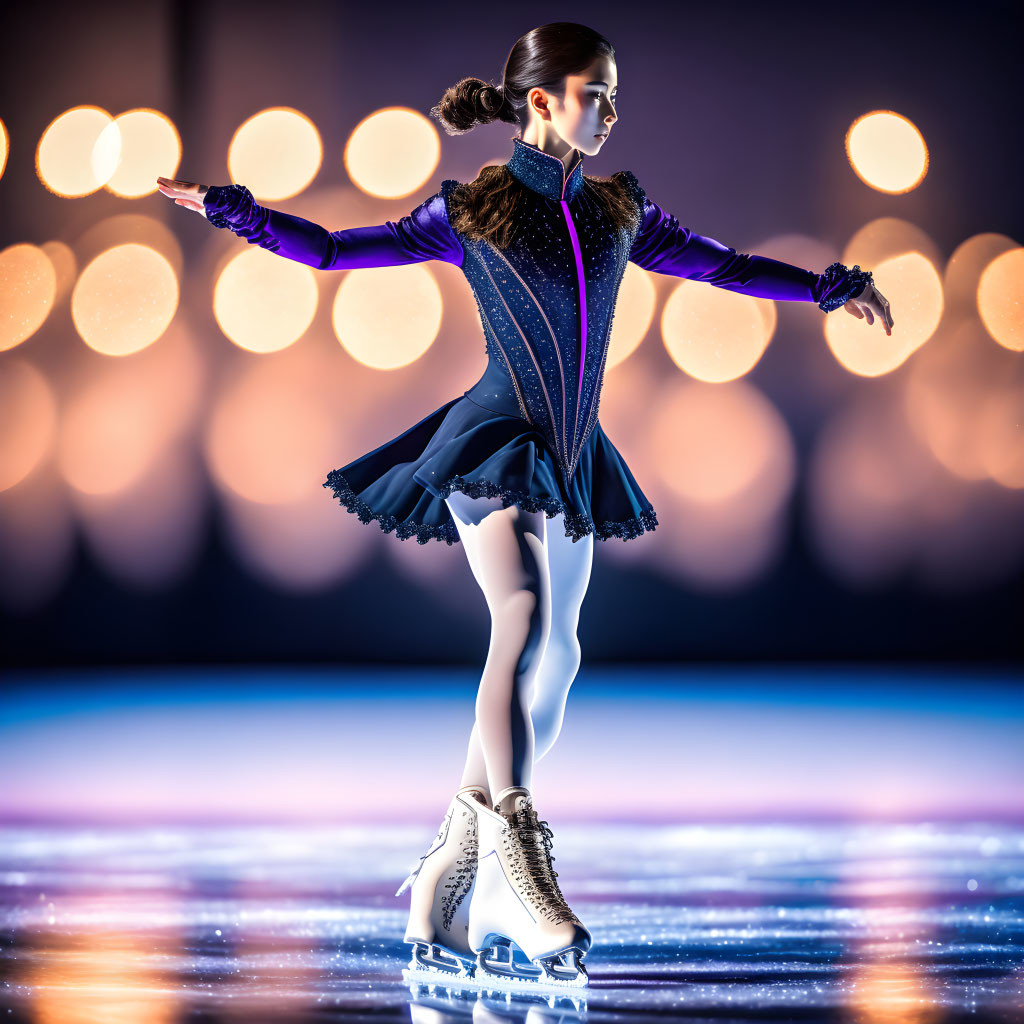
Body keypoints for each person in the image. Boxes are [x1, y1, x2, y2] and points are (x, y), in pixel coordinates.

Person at [156, 21, 893, 991]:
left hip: (574, 455)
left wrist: (828, 287)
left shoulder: (622, 208)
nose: (612, 112)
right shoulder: (470, 211)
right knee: (524, 615)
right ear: (541, 99)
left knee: (560, 654)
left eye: (617, 94)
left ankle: (444, 878)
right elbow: (335, 250)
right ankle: (515, 862)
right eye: (597, 93)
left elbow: (723, 266)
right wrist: (236, 212)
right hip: (491, 443)